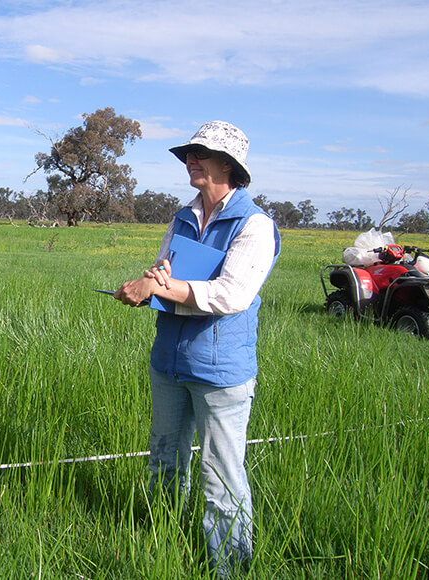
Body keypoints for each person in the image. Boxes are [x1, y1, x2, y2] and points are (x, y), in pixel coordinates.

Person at [114, 121, 280, 577]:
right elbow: (163, 270)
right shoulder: (183, 216)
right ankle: (161, 543)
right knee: (163, 457)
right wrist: (145, 286)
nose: (190, 160)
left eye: (201, 153)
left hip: (220, 369)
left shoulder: (255, 224)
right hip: (168, 359)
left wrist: (165, 286)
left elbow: (231, 295)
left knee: (220, 475)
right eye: (189, 153)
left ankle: (228, 566)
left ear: (229, 166)